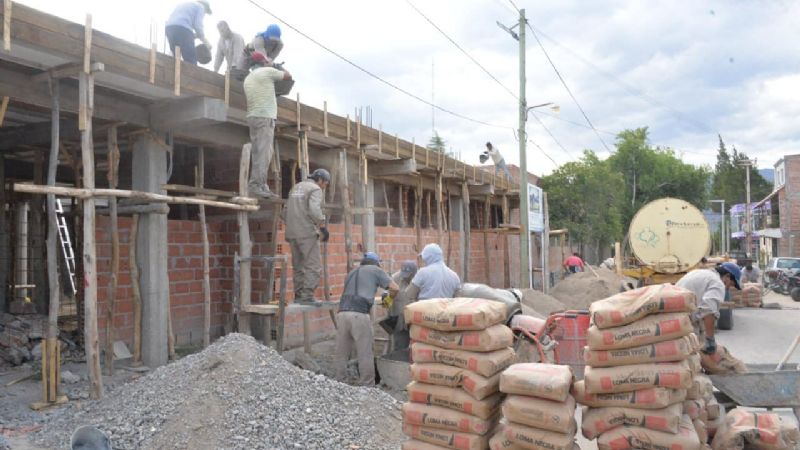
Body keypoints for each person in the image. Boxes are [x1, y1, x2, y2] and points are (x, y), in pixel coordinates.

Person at [335, 252, 398, 386]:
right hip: (359, 314)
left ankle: (340, 382)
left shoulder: (351, 273)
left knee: (342, 351)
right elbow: (395, 288)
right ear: (376, 263)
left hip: (342, 313)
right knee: (365, 351)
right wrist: (388, 300)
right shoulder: (376, 270)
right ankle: (367, 384)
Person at [243, 52, 292, 198]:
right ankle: (255, 185)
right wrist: (276, 66)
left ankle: (261, 185)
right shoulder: (267, 71)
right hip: (264, 117)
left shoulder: (249, 77)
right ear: (264, 62)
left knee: (263, 152)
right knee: (263, 153)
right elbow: (288, 76)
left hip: (253, 117)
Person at [285, 169, 330, 305]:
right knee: (313, 266)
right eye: (325, 183)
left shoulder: (296, 187)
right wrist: (322, 225)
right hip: (306, 233)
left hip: (292, 233)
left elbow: (284, 211)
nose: (324, 187)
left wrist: (295, 222)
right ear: (320, 179)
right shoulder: (315, 189)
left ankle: (299, 295)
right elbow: (314, 210)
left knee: (298, 266)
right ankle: (307, 296)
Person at [676, 262, 742, 355]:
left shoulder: (702, 273)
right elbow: (708, 310)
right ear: (727, 276)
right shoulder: (718, 284)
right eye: (730, 284)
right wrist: (710, 339)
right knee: (691, 353)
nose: (727, 288)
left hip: (675, 314)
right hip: (683, 320)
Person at [165, 0, 212, 65]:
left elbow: (179, 26)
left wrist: (194, 36)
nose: (204, 13)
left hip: (169, 28)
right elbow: (197, 25)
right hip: (183, 29)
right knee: (190, 58)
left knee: (175, 56)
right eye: (205, 12)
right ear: (205, 6)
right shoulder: (201, 7)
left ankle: (173, 72)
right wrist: (204, 40)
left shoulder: (185, 4)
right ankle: (193, 73)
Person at [387, 260, 418, 351]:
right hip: (399, 321)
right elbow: (386, 301)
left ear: (414, 273)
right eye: (403, 274)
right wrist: (387, 301)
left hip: (414, 321)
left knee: (415, 348)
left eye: (408, 275)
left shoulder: (419, 279)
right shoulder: (394, 279)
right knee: (399, 347)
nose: (405, 277)